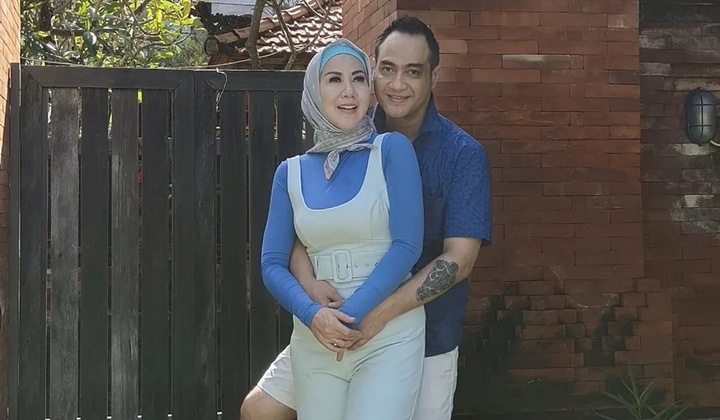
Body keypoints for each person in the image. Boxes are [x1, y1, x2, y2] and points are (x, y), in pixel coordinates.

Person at [244, 16, 492, 420]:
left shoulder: (462, 155)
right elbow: (301, 233)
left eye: (413, 72)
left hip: (422, 327)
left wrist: (373, 315)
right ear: (374, 72)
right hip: (333, 319)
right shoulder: (345, 127)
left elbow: (458, 260)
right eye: (387, 69)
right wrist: (312, 293)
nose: (397, 84)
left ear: (434, 77)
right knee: (259, 409)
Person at [260, 37, 427, 420]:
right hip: (315, 337)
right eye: (334, 79)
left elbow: (407, 246)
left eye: (359, 79)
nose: (348, 91)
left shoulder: (392, 150)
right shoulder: (289, 173)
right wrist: (314, 316)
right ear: (314, 91)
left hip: (387, 333)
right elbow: (271, 264)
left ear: (370, 90)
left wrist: (348, 317)